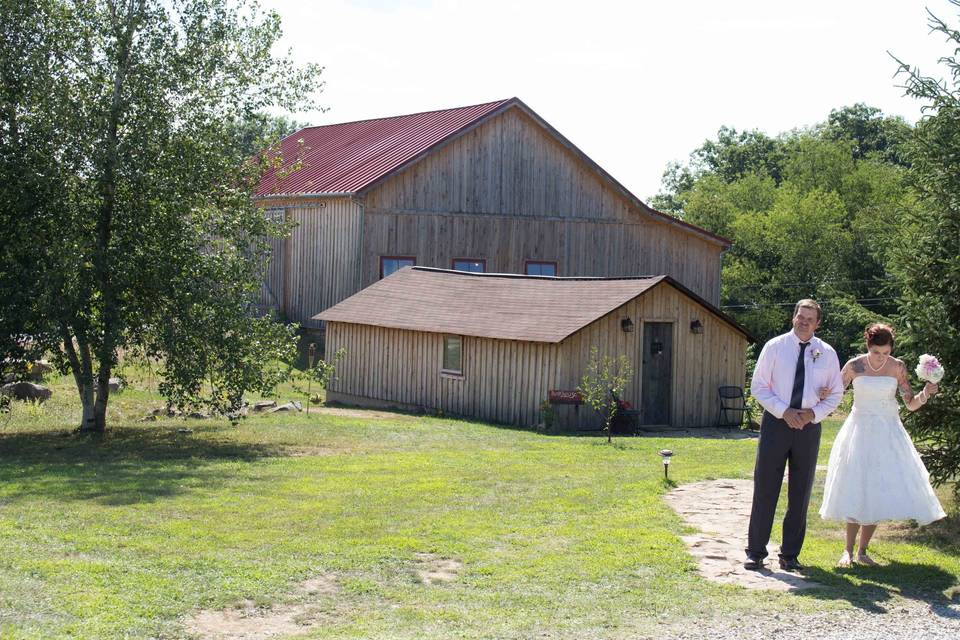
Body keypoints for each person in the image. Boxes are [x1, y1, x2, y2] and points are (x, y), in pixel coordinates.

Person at [818, 323, 946, 567]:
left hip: (887, 432)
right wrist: (823, 393)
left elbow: (910, 403)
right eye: (877, 352)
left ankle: (863, 551)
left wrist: (927, 393)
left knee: (876, 487)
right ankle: (847, 550)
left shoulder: (897, 367)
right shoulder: (855, 365)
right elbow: (836, 393)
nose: (881, 357)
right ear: (868, 346)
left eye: (886, 352)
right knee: (856, 483)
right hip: (859, 430)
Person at [745, 299, 844, 572]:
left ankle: (789, 554)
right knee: (765, 487)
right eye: (800, 317)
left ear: (818, 323)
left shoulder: (827, 353)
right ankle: (755, 552)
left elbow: (836, 393)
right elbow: (759, 387)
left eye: (809, 319)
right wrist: (784, 411)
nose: (804, 322)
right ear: (793, 317)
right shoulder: (775, 347)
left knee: (800, 492)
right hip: (777, 423)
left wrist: (813, 414)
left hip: (808, 427)